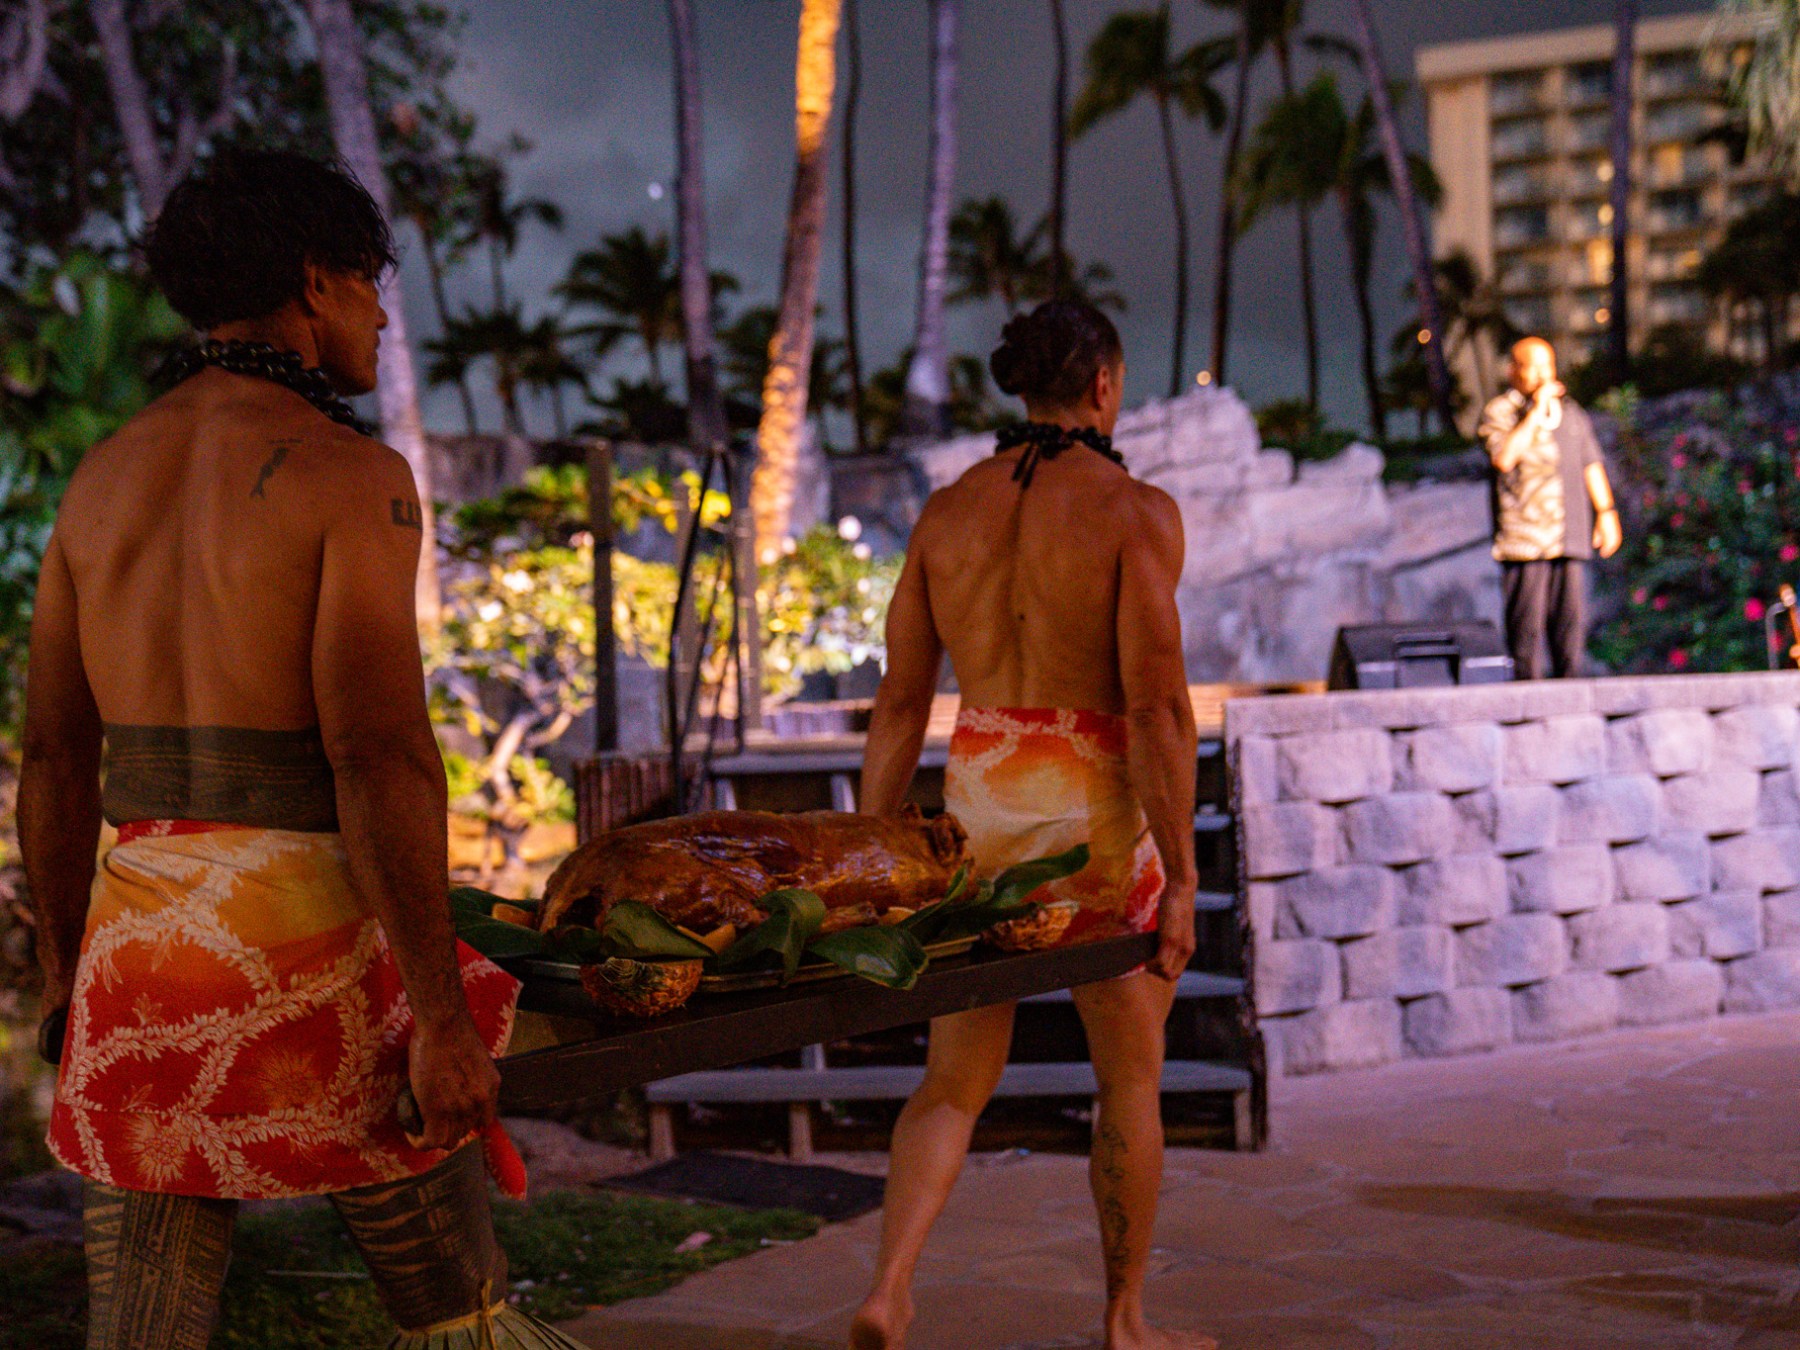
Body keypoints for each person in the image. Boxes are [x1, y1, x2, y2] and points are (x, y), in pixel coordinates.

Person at [18, 148, 582, 1350]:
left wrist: (67, 972)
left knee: (145, 1331)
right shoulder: (350, 476)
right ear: (316, 281)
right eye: (373, 282)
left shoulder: (100, 482)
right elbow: (378, 756)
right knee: (461, 1315)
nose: (381, 315)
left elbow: (56, 763)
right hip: (310, 944)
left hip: (142, 957)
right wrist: (441, 1019)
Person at [850, 301, 1208, 1350]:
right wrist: (1183, 878)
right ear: (1102, 384)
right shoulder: (1135, 512)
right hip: (1092, 824)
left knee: (954, 1081)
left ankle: (889, 1291)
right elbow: (1156, 708)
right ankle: (1126, 1320)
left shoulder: (947, 512)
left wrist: (869, 855)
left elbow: (899, 703)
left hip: (981, 823)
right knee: (1128, 1078)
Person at [1478, 336, 1623, 679]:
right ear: (1514, 371)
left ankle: (1570, 695)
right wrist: (1534, 413)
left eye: (1549, 366)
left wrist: (1606, 513)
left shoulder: (1570, 412)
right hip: (1525, 540)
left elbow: (1591, 463)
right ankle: (1527, 698)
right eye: (1534, 367)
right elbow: (1504, 458)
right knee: (1526, 631)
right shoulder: (1501, 411)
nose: (1544, 374)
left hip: (1568, 534)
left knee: (1570, 629)